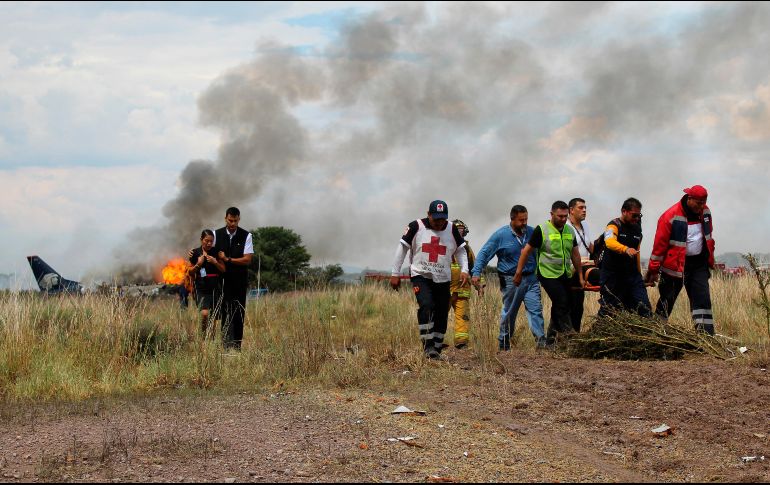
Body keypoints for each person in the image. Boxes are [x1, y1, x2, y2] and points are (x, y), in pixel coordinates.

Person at [391, 200, 469, 359]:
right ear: (428, 214)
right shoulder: (415, 226)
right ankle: (428, 346)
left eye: (443, 219)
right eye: (436, 219)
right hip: (421, 276)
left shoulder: (451, 228)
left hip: (443, 278)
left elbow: (461, 250)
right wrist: (395, 273)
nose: (440, 223)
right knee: (426, 305)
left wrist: (465, 270)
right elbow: (403, 248)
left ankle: (437, 347)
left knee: (441, 311)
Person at [472, 205, 546, 350]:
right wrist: (476, 272)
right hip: (510, 280)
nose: (524, 223)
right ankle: (504, 343)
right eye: (521, 220)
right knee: (510, 312)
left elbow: (541, 253)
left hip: (531, 278)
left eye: (526, 219)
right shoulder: (500, 235)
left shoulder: (532, 232)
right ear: (512, 219)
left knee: (536, 310)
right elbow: (484, 254)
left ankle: (541, 344)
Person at [645, 185, 716, 335]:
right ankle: (656, 333)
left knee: (702, 300)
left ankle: (707, 337)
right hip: (674, 267)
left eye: (704, 202)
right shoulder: (670, 216)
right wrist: (653, 269)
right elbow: (659, 246)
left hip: (698, 265)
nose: (701, 206)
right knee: (667, 299)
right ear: (689, 199)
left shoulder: (705, 212)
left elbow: (709, 237)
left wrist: (710, 259)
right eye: (698, 203)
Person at [514, 201, 584, 345]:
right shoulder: (542, 229)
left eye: (565, 216)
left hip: (564, 274)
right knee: (561, 302)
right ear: (552, 214)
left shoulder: (569, 231)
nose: (563, 219)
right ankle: (569, 337)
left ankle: (550, 340)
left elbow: (575, 254)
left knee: (565, 304)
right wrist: (518, 272)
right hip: (547, 274)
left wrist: (581, 276)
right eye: (560, 216)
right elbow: (526, 251)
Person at [598, 198, 652, 317]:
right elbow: (609, 242)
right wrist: (625, 249)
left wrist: (640, 275)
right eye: (634, 215)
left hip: (632, 276)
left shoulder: (637, 229)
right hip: (612, 276)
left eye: (639, 215)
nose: (637, 219)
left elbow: (637, 253)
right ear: (624, 211)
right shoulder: (613, 225)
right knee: (609, 311)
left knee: (644, 309)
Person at [215, 207, 254, 350]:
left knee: (238, 313)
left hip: (239, 281)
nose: (232, 224)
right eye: (230, 220)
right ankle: (225, 346)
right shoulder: (216, 234)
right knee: (224, 312)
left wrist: (228, 259)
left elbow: (247, 259)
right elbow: (207, 249)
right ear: (225, 218)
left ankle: (237, 346)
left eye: (235, 221)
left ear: (239, 219)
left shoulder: (246, 236)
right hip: (222, 281)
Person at [449, 220, 484, 349]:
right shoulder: (444, 246)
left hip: (462, 290)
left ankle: (461, 342)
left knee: (462, 316)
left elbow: (475, 268)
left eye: (461, 229)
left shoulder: (467, 249)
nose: (459, 231)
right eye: (456, 229)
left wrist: (479, 286)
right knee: (439, 315)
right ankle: (436, 340)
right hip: (444, 289)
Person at [188, 229, 226, 337]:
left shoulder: (216, 252)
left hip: (215, 287)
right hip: (201, 287)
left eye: (211, 241)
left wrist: (215, 262)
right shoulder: (194, 253)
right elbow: (190, 272)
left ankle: (211, 338)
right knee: (204, 314)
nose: (209, 243)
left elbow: (223, 269)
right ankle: (204, 335)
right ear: (201, 240)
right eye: (206, 241)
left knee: (213, 317)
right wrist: (198, 265)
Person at [565, 197, 593, 332]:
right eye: (580, 208)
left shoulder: (585, 225)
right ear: (571, 210)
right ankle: (560, 339)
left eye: (585, 207)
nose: (584, 210)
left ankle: (575, 335)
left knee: (578, 306)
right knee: (567, 305)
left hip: (585, 267)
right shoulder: (565, 226)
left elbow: (590, 246)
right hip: (571, 269)